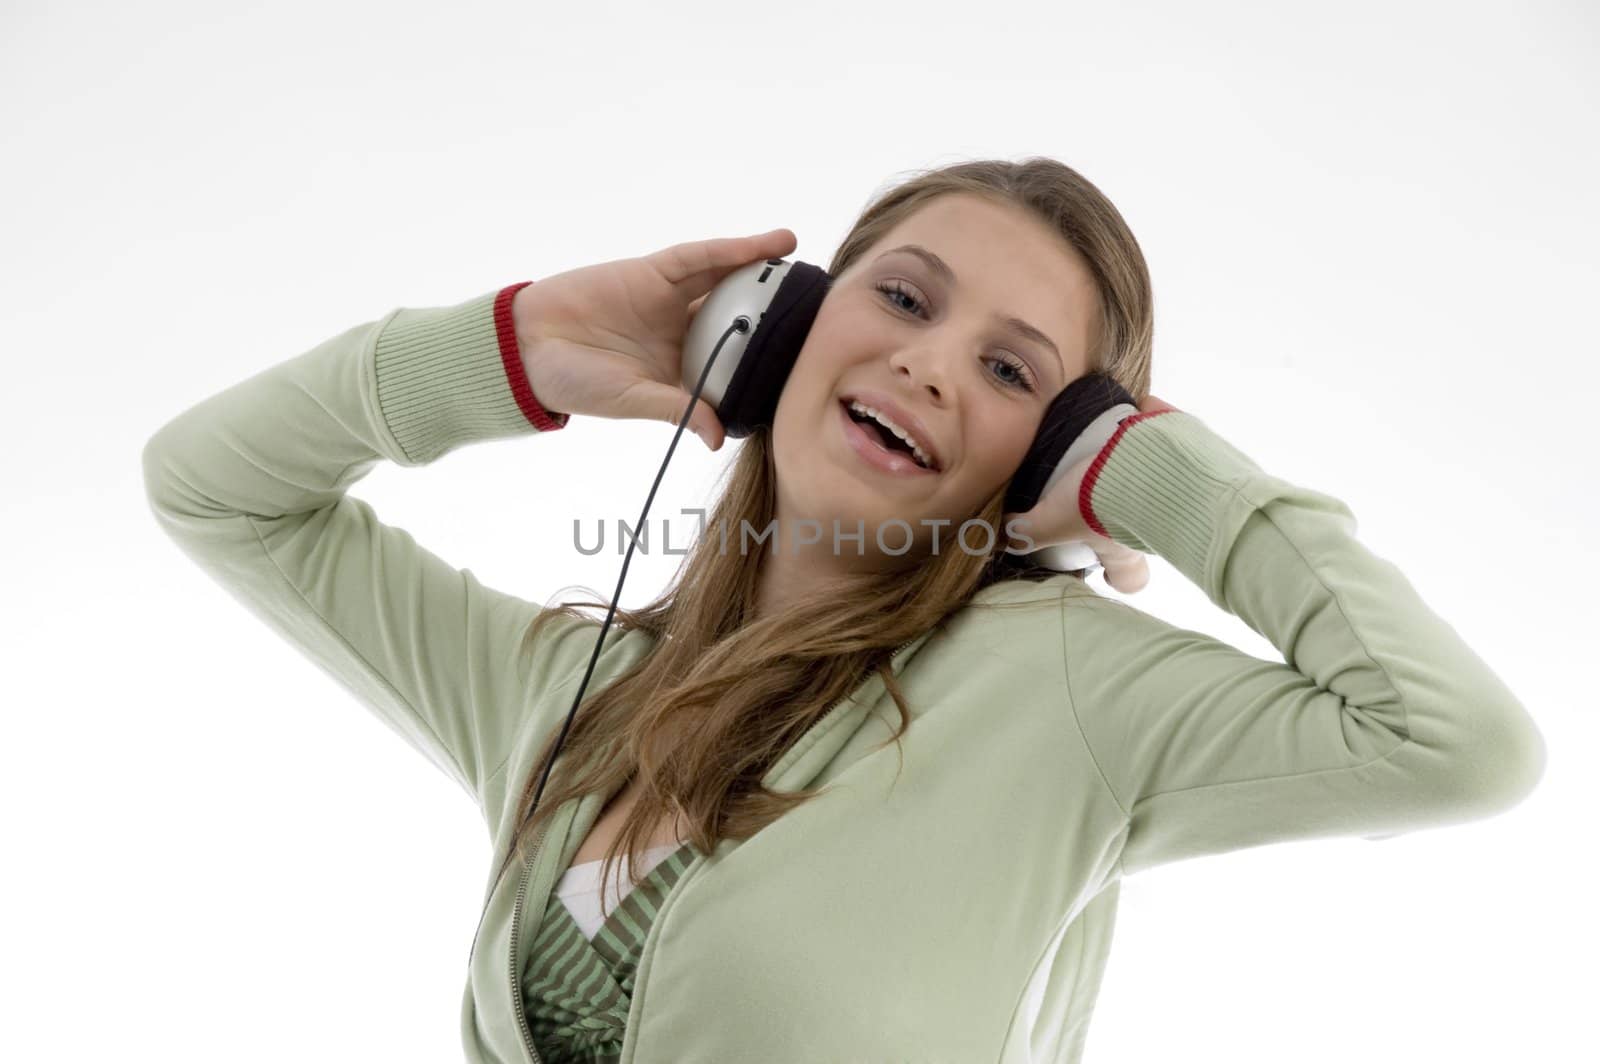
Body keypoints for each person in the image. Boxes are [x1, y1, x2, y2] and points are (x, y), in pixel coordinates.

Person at [142, 157, 1546, 1063]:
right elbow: (213, 490)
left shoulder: (1066, 691)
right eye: (901, 298)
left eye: (1012, 372)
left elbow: (1461, 744)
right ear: (777, 334)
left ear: (1060, 450)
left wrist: (1168, 481)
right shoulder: (561, 689)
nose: (930, 365)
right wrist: (509, 351)